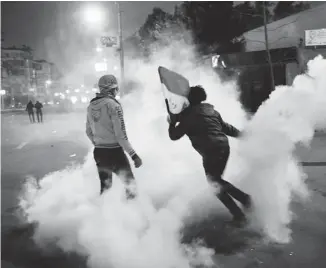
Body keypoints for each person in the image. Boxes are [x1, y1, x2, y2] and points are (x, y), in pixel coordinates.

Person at [168, 85, 252, 227]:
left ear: (189, 99)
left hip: (210, 149)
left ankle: (244, 203)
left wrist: (172, 123)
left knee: (215, 184)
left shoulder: (188, 116)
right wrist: (242, 135)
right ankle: (241, 211)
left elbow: (174, 135)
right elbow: (226, 128)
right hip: (223, 147)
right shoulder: (211, 111)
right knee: (216, 183)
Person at [86, 74, 143, 198]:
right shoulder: (114, 105)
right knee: (130, 186)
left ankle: (102, 214)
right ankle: (132, 212)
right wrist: (134, 155)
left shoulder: (91, 106)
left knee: (106, 189)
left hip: (99, 152)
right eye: (116, 88)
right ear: (112, 89)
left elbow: (88, 132)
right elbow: (120, 136)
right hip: (115, 153)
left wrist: (98, 143)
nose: (117, 91)